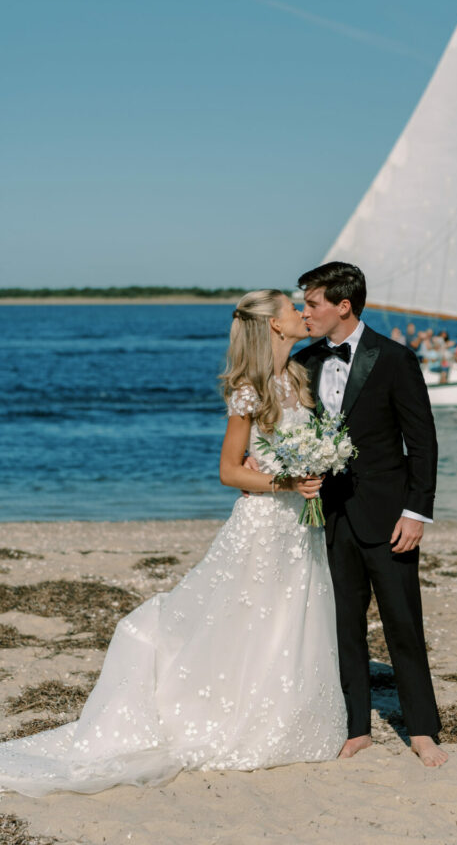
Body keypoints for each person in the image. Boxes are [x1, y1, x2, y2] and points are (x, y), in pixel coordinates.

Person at [0, 290, 347, 797]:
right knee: (248, 619)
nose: (302, 312)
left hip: (298, 525)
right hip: (263, 523)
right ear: (274, 325)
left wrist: (312, 468)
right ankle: (231, 716)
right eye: (293, 308)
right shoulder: (248, 389)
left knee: (289, 617)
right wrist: (287, 482)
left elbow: (285, 450)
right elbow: (229, 470)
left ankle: (287, 717)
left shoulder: (295, 378)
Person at [294, 261, 447, 768]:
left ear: (344, 305)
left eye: (312, 303)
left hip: (389, 516)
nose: (304, 312)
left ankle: (421, 730)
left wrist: (416, 512)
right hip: (329, 515)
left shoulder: (396, 358)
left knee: (403, 622)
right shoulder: (304, 361)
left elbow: (422, 442)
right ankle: (356, 727)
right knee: (343, 626)